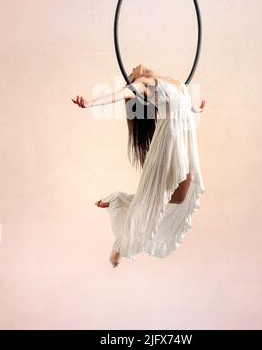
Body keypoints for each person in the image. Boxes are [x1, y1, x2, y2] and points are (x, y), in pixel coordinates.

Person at [72, 64, 206, 267]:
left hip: (186, 142)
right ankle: (120, 245)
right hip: (168, 145)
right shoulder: (142, 84)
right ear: (135, 78)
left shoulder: (174, 81)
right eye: (130, 73)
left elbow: (186, 104)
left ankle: (123, 200)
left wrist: (198, 108)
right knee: (155, 196)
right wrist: (90, 103)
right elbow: (118, 95)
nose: (132, 68)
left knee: (179, 198)